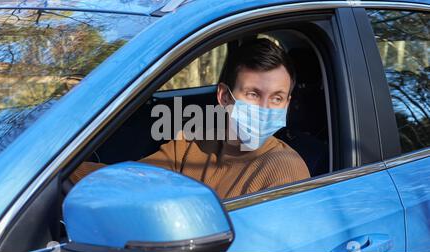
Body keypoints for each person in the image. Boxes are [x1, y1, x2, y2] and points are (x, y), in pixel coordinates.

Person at [69, 38, 310, 199]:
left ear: (287, 103)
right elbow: (131, 180)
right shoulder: (194, 142)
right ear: (225, 96)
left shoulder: (285, 171)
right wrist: (59, 169)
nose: (265, 108)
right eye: (253, 94)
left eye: (277, 98)